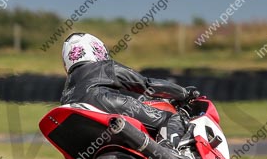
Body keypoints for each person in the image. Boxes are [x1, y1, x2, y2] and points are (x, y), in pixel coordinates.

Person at [60, 32, 199, 147]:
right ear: (97, 50)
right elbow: (147, 85)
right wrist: (184, 93)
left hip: (77, 124)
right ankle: (169, 151)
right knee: (171, 118)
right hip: (104, 102)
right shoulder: (104, 67)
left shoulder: (67, 87)